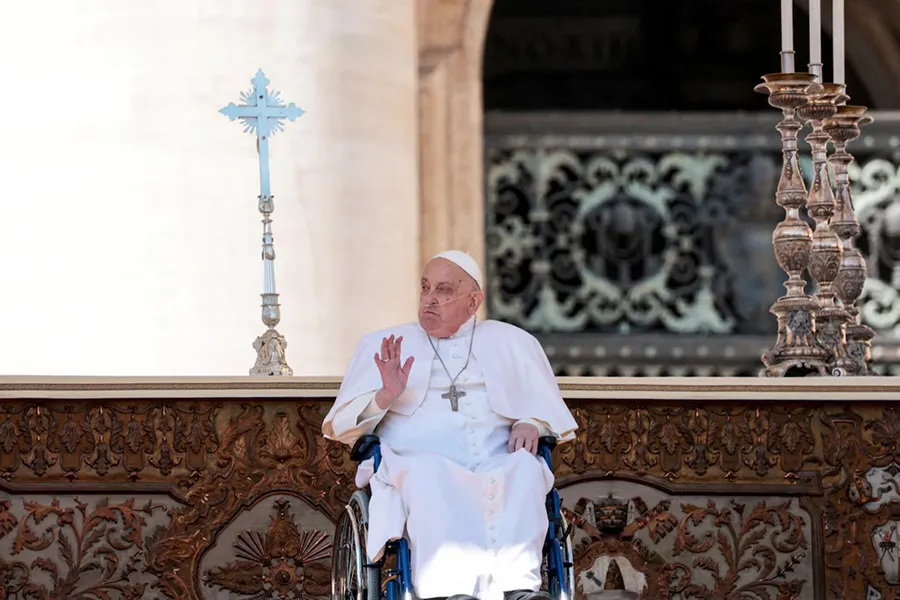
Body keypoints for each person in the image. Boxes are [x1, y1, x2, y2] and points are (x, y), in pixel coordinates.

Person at [323, 250, 578, 600]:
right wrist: (385, 395)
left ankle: (519, 588)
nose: (429, 299)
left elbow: (548, 411)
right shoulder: (383, 345)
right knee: (431, 476)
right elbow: (340, 428)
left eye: (443, 291)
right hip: (417, 459)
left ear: (473, 302)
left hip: (497, 458)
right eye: (426, 288)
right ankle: (447, 592)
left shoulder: (513, 342)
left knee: (525, 469)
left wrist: (531, 422)